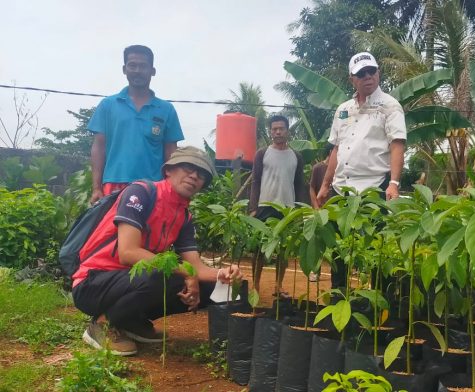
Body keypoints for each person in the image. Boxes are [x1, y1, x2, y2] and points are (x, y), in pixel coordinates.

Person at [72, 146, 243, 356]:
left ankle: (130, 321)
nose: (194, 176)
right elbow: (128, 253)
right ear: (168, 170)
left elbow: (195, 266)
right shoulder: (141, 193)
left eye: (201, 175)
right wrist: (186, 272)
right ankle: (102, 324)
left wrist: (223, 274)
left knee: (218, 288)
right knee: (162, 274)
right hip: (93, 283)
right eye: (188, 167)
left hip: (131, 281)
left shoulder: (184, 216)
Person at [316, 52, 407, 290]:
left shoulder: (389, 106)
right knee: (338, 250)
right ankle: (339, 298)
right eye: (361, 74)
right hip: (341, 188)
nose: (368, 77)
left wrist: (394, 183)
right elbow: (337, 148)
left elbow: (397, 144)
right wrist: (325, 185)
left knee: (376, 249)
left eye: (372, 72)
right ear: (352, 79)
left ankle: (379, 307)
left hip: (372, 189)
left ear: (378, 73)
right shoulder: (343, 109)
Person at [89, 45, 184, 204]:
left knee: (150, 229)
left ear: (152, 71)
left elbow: (171, 152)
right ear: (124, 69)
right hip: (114, 184)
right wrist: (96, 188)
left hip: (153, 187)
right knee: (112, 229)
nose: (137, 70)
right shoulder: (108, 105)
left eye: (143, 66)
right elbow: (99, 146)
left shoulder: (166, 109)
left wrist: (171, 187)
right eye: (132, 65)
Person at [248, 114, 308, 298]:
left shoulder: (296, 157)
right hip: (264, 207)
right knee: (259, 250)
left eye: (281, 128)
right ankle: (255, 286)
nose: (278, 132)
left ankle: (278, 285)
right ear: (270, 132)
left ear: (288, 131)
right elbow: (256, 181)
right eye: (274, 129)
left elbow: (299, 185)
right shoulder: (262, 153)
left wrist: (301, 211)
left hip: (287, 209)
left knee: (283, 250)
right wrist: (252, 208)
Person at [307, 144, 333, 282]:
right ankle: (315, 271)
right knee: (317, 241)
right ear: (331, 151)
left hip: (334, 212)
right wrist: (316, 206)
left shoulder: (339, 169)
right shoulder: (318, 168)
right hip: (319, 210)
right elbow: (311, 188)